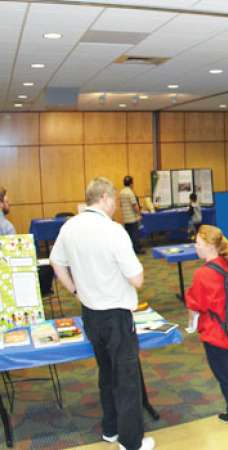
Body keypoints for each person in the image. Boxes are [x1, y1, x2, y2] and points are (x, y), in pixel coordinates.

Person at [49, 177, 154, 450]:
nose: (116, 206)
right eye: (115, 201)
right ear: (105, 198)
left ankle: (111, 430)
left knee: (106, 373)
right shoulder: (114, 231)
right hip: (117, 316)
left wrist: (74, 290)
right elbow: (138, 280)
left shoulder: (70, 226)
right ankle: (131, 442)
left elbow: (55, 262)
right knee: (126, 378)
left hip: (90, 313)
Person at [185, 225, 228, 425]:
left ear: (209, 246)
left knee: (224, 376)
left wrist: (191, 324)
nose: (195, 247)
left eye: (198, 243)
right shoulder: (226, 265)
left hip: (215, 334)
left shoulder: (202, 274)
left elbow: (195, 304)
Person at [120, 176, 143, 255]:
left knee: (129, 235)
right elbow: (134, 205)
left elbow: (121, 205)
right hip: (132, 218)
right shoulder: (130, 192)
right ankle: (136, 250)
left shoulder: (121, 192)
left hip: (125, 218)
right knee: (134, 235)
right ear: (131, 183)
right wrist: (139, 213)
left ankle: (130, 250)